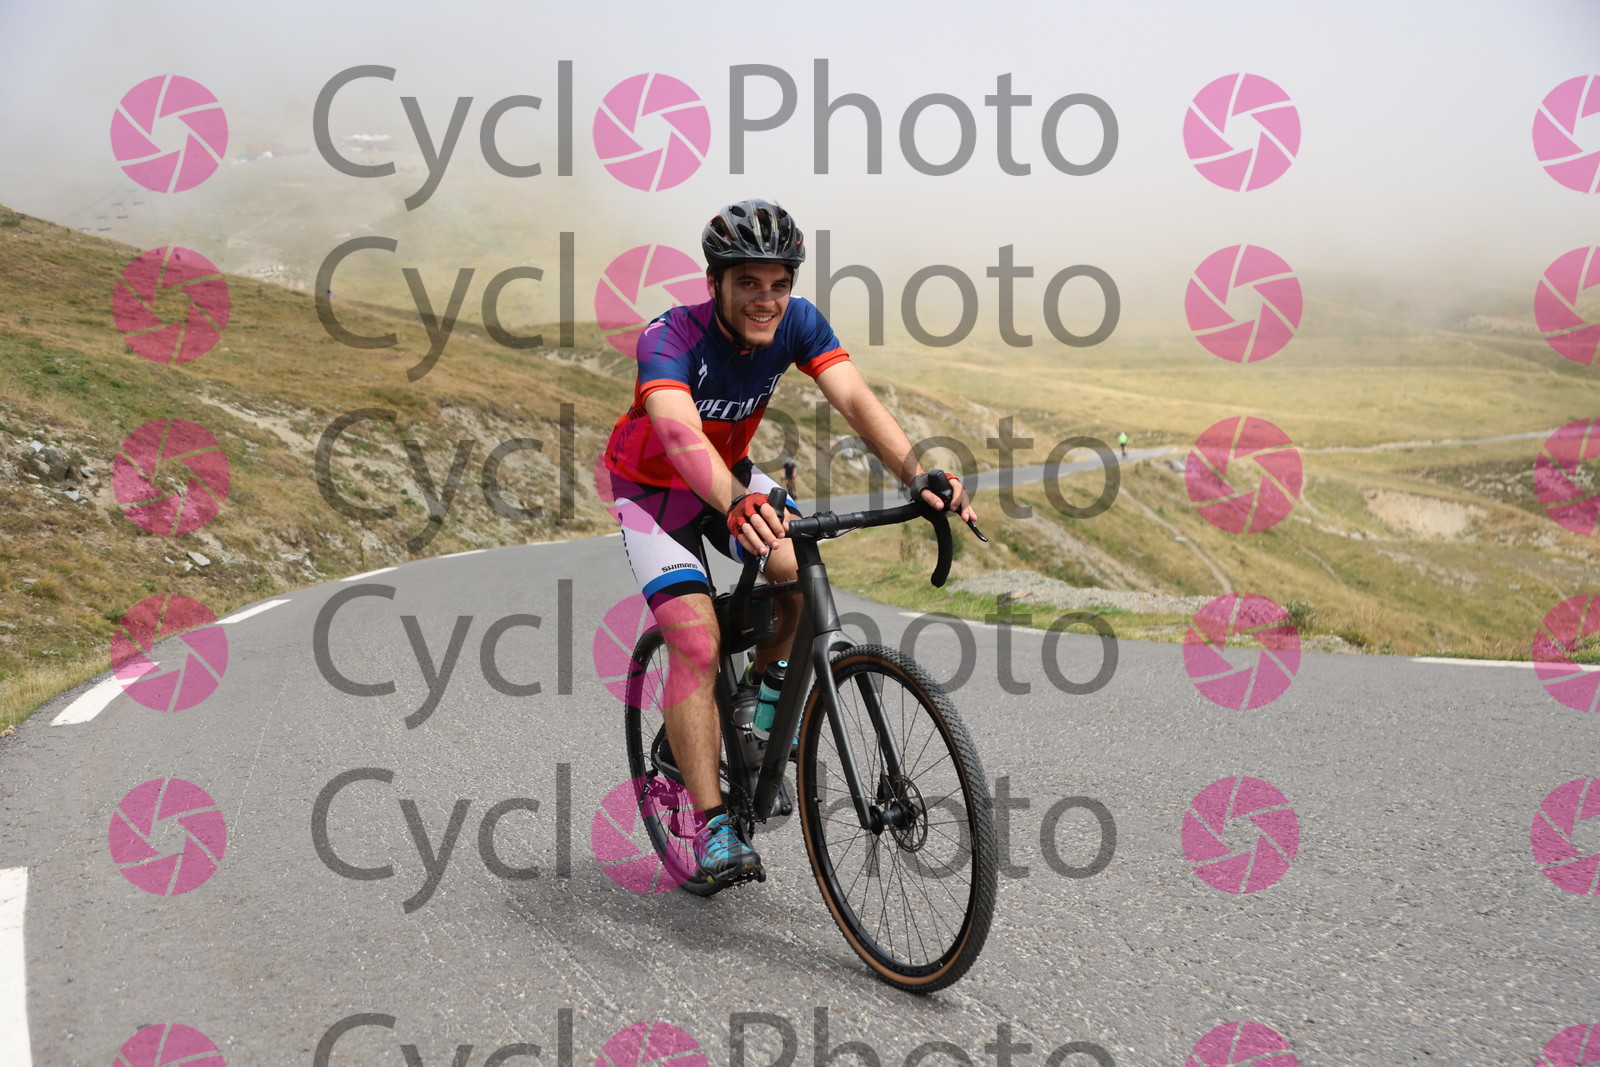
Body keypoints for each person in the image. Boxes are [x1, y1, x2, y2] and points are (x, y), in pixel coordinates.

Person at [599, 199, 976, 890]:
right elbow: (679, 433)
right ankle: (712, 825)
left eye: (779, 283)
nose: (765, 299)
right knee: (695, 639)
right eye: (748, 282)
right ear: (714, 282)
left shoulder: (797, 323)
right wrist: (735, 503)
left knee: (800, 573)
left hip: (732, 473)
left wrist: (916, 472)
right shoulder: (670, 336)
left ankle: (758, 706)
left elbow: (854, 398)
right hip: (655, 490)